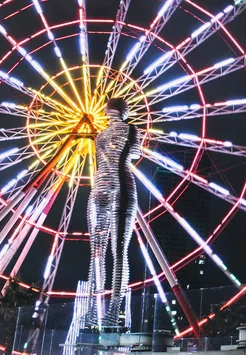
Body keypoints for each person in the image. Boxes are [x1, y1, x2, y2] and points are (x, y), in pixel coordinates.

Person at [85, 98, 141, 328]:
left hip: (98, 188)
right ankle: (112, 312)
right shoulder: (131, 129)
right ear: (124, 111)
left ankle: (90, 310)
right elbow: (134, 154)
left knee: (96, 253)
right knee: (120, 252)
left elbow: (102, 160)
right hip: (121, 186)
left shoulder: (99, 136)